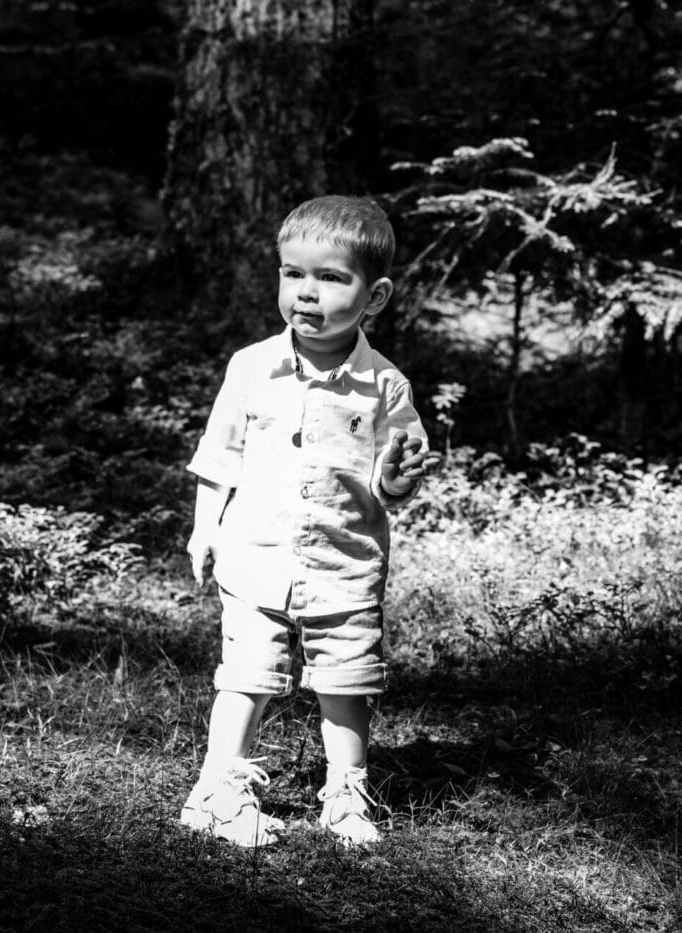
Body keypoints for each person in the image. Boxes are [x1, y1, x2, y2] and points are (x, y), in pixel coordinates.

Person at [178, 196, 428, 847]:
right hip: (254, 552)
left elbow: (391, 482)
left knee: (348, 681)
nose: (306, 292)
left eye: (330, 277)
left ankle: (346, 796)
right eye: (293, 274)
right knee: (247, 675)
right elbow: (219, 456)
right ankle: (217, 791)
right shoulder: (251, 366)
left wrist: (399, 475)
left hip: (344, 561)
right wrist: (204, 528)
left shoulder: (386, 386)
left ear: (374, 296)